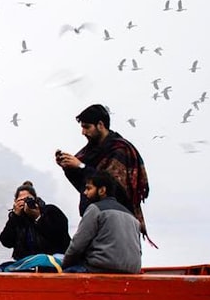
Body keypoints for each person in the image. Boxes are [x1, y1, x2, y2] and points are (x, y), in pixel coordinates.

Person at [56, 103, 152, 242]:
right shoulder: (89, 152)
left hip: (117, 221)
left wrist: (80, 166)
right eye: (82, 127)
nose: (83, 132)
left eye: (86, 127)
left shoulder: (120, 150)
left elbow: (112, 187)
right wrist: (68, 167)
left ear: (100, 125)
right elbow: (85, 186)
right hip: (93, 218)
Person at [61, 170, 142, 274]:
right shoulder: (132, 216)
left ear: (102, 190)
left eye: (88, 188)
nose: (85, 193)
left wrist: (63, 266)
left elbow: (77, 246)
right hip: (132, 270)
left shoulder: (95, 209)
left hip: (101, 268)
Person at [0, 181, 70, 262]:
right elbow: (6, 242)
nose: (25, 203)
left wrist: (38, 217)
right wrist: (15, 217)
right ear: (15, 202)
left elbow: (60, 237)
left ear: (35, 199)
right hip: (25, 260)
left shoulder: (51, 211)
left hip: (52, 258)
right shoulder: (16, 218)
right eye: (21, 200)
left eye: (28, 199)